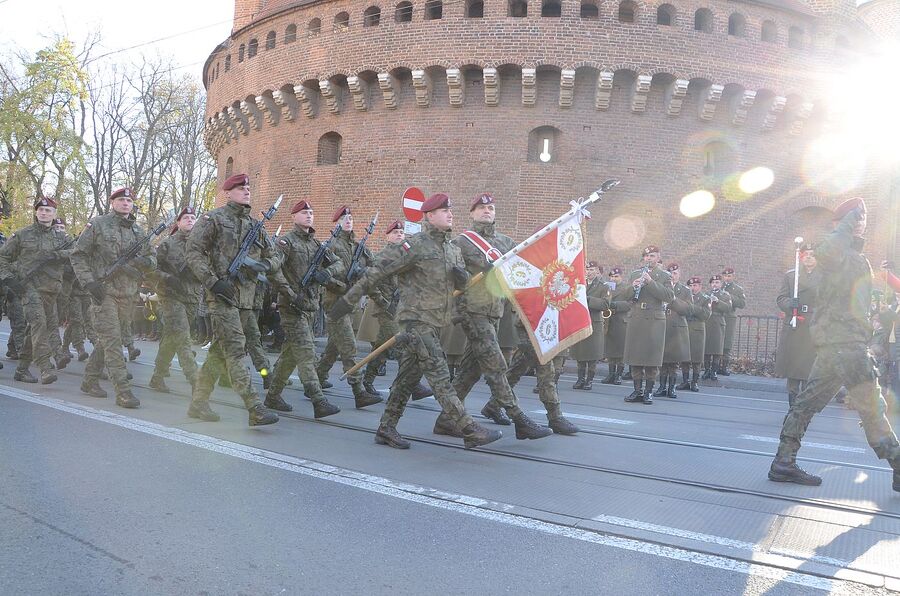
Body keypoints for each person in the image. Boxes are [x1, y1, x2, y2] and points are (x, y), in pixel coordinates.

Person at [329, 193, 502, 450]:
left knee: (408, 378)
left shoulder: (452, 249)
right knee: (440, 374)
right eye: (444, 211)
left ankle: (386, 428)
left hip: (436, 322)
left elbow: (459, 285)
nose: (450, 214)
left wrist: (464, 277)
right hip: (415, 321)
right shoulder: (415, 246)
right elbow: (377, 271)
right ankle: (468, 428)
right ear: (430, 217)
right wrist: (346, 303)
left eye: (450, 210)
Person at [768, 198, 900, 493]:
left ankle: (783, 461)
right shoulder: (836, 251)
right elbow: (826, 251)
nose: (863, 220)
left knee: (807, 404)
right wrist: (849, 221)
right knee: (872, 410)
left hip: (838, 345)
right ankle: (899, 467)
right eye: (858, 216)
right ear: (845, 222)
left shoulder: (850, 255)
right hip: (847, 346)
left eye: (862, 216)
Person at [442, 193, 550, 440]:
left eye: (490, 207)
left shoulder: (505, 242)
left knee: (470, 370)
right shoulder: (462, 242)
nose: (486, 211)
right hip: (473, 312)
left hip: (494, 312)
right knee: (496, 365)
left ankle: (446, 419)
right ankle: (519, 419)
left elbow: (525, 267)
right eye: (481, 208)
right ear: (472, 213)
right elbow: (448, 277)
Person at [183, 173, 280, 426]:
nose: (246, 191)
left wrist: (263, 265)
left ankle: (198, 403)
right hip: (221, 296)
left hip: (247, 299)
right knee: (236, 349)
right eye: (240, 188)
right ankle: (254, 407)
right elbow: (193, 252)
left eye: (248, 187)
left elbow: (275, 255)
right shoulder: (213, 219)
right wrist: (213, 281)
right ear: (228, 192)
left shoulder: (255, 226)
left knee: (218, 353)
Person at [70, 188, 157, 408]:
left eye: (129, 200)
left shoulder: (138, 231)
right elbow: (78, 255)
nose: (125, 203)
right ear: (112, 202)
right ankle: (123, 391)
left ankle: (90, 380)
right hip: (104, 291)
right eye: (121, 200)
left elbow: (151, 259)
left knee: (109, 339)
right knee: (112, 340)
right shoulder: (98, 224)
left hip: (128, 294)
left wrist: (143, 263)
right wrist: (89, 282)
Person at [264, 200, 344, 417]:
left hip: (309, 307)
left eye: (311, 212)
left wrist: (326, 274)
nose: (309, 215)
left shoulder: (317, 246)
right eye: (304, 212)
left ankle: (272, 396)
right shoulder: (286, 242)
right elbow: (274, 269)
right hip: (291, 307)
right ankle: (318, 401)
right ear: (294, 216)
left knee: (291, 354)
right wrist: (289, 293)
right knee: (307, 352)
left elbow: (339, 264)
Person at [356, 220, 433, 401]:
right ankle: (412, 386)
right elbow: (371, 283)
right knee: (402, 346)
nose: (399, 234)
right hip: (386, 309)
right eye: (395, 232)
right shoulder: (382, 257)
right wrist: (384, 302)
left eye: (401, 232)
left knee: (382, 347)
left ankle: (367, 381)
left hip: (402, 308)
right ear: (387, 236)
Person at [315, 206, 382, 407]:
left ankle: (315, 380)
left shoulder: (357, 246)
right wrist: (342, 286)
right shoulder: (331, 246)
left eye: (350, 217)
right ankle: (359, 391)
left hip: (350, 303)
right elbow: (321, 275)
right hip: (335, 302)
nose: (348, 221)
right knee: (349, 347)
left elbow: (375, 265)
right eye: (344, 218)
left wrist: (363, 272)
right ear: (337, 222)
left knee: (334, 347)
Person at [0, 197, 72, 384]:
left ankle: (22, 369)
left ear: (54, 214)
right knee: (40, 325)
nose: (44, 213)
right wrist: (10, 280)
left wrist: (57, 255)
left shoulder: (62, 238)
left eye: (48, 211)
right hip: (29, 287)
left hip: (52, 289)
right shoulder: (22, 234)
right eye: (41, 210)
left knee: (36, 328)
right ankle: (45, 368)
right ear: (36, 212)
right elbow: (3, 258)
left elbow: (75, 254)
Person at [148, 207, 201, 393]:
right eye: (185, 217)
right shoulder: (167, 244)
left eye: (193, 217)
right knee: (183, 338)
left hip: (192, 297)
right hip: (171, 296)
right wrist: (168, 278)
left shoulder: (201, 245)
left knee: (172, 338)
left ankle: (157, 376)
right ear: (178, 223)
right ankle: (197, 384)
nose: (190, 220)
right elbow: (150, 271)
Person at [504, 318, 580, 434]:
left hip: (540, 326)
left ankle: (493, 405)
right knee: (546, 372)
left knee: (517, 370)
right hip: (530, 325)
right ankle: (555, 417)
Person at [623, 245, 675, 404]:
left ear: (658, 257)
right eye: (646, 256)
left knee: (652, 358)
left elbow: (669, 296)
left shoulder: (665, 276)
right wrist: (633, 287)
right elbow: (624, 295)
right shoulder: (635, 274)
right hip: (637, 317)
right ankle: (637, 391)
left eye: (652, 256)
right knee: (636, 357)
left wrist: (650, 282)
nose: (649, 259)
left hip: (654, 320)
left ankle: (648, 392)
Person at [774, 243, 819, 407]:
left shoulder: (824, 277)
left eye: (812, 254)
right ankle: (793, 406)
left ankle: (804, 407)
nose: (808, 256)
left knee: (809, 369)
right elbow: (780, 299)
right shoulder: (791, 276)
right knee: (793, 367)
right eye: (805, 253)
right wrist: (790, 304)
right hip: (795, 323)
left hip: (813, 324)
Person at [571, 261, 609, 390]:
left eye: (592, 269)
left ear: (597, 271)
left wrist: (587, 299)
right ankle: (580, 379)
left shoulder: (603, 286)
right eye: (587, 269)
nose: (589, 272)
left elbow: (605, 304)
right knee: (580, 352)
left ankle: (589, 380)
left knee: (592, 354)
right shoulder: (579, 284)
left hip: (594, 322)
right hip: (580, 322)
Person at [655, 263, 692, 399]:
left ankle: (671, 388)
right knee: (663, 361)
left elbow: (687, 310)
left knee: (674, 362)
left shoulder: (685, 290)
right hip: (663, 326)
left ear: (679, 274)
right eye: (670, 274)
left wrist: (673, 300)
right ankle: (661, 387)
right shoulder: (662, 287)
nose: (672, 276)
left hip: (677, 329)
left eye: (675, 273)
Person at [600, 267, 630, 385]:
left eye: (616, 276)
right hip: (609, 321)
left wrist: (615, 305)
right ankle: (611, 374)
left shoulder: (626, 288)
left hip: (621, 321)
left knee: (620, 351)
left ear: (621, 277)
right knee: (610, 350)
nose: (613, 279)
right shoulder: (608, 288)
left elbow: (629, 304)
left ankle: (618, 375)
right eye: (612, 277)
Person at [683, 276, 711, 391]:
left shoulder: (705, 299)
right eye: (690, 286)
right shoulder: (685, 297)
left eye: (695, 285)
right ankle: (685, 381)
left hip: (697, 331)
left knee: (696, 359)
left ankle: (694, 382)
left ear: (700, 286)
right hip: (685, 329)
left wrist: (693, 308)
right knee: (685, 357)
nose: (692, 288)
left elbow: (705, 315)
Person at [702, 275, 733, 381]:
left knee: (716, 348)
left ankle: (714, 371)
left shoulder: (725, 295)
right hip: (707, 322)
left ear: (721, 284)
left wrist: (718, 302)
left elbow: (728, 308)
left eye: (717, 282)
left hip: (718, 322)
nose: (715, 284)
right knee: (706, 348)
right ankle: (706, 370)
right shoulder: (706, 294)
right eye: (713, 283)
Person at [720, 267, 747, 375]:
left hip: (729, 317)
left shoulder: (737, 289)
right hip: (718, 317)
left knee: (727, 342)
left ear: (733, 276)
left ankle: (724, 367)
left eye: (729, 276)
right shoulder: (718, 286)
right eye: (725, 276)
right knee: (717, 342)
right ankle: (715, 366)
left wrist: (730, 297)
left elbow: (742, 303)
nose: (727, 278)